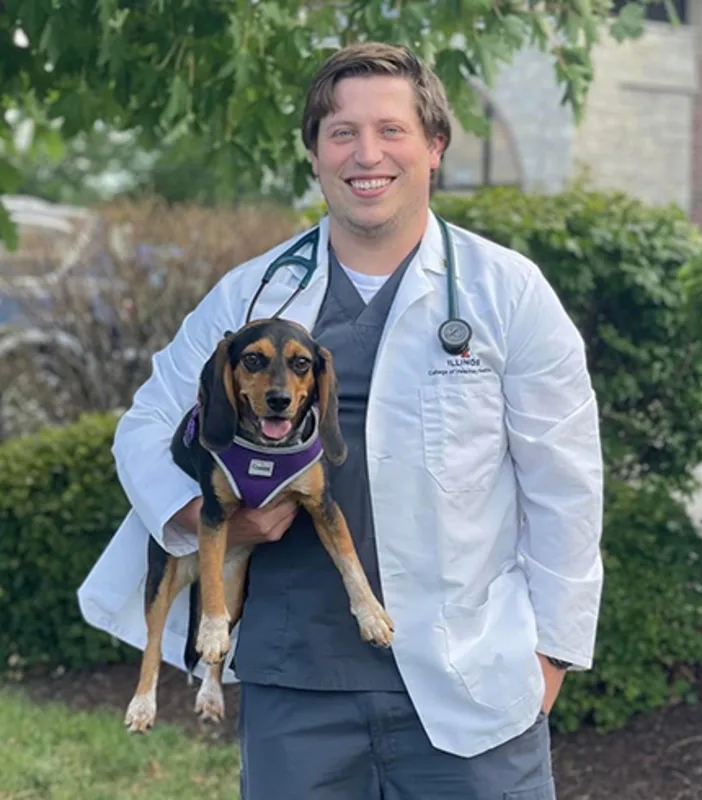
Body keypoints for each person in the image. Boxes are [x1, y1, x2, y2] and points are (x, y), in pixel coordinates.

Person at [78, 41, 604, 799]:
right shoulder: (249, 294)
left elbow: (566, 487)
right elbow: (145, 424)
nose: (367, 155)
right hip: (295, 690)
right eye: (342, 133)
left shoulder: (508, 295)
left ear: (435, 145)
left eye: (392, 130)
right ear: (315, 153)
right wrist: (202, 516)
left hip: (474, 682)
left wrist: (550, 659)